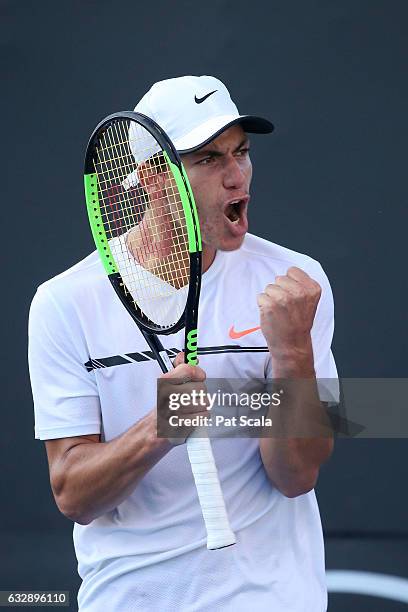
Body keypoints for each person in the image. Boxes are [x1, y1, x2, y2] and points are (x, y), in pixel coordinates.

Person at [28, 75, 338, 611]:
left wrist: (292, 356)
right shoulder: (62, 302)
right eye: (209, 160)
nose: (237, 175)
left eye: (241, 152)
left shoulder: (296, 282)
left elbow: (297, 476)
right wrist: (160, 427)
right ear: (152, 178)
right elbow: (73, 494)